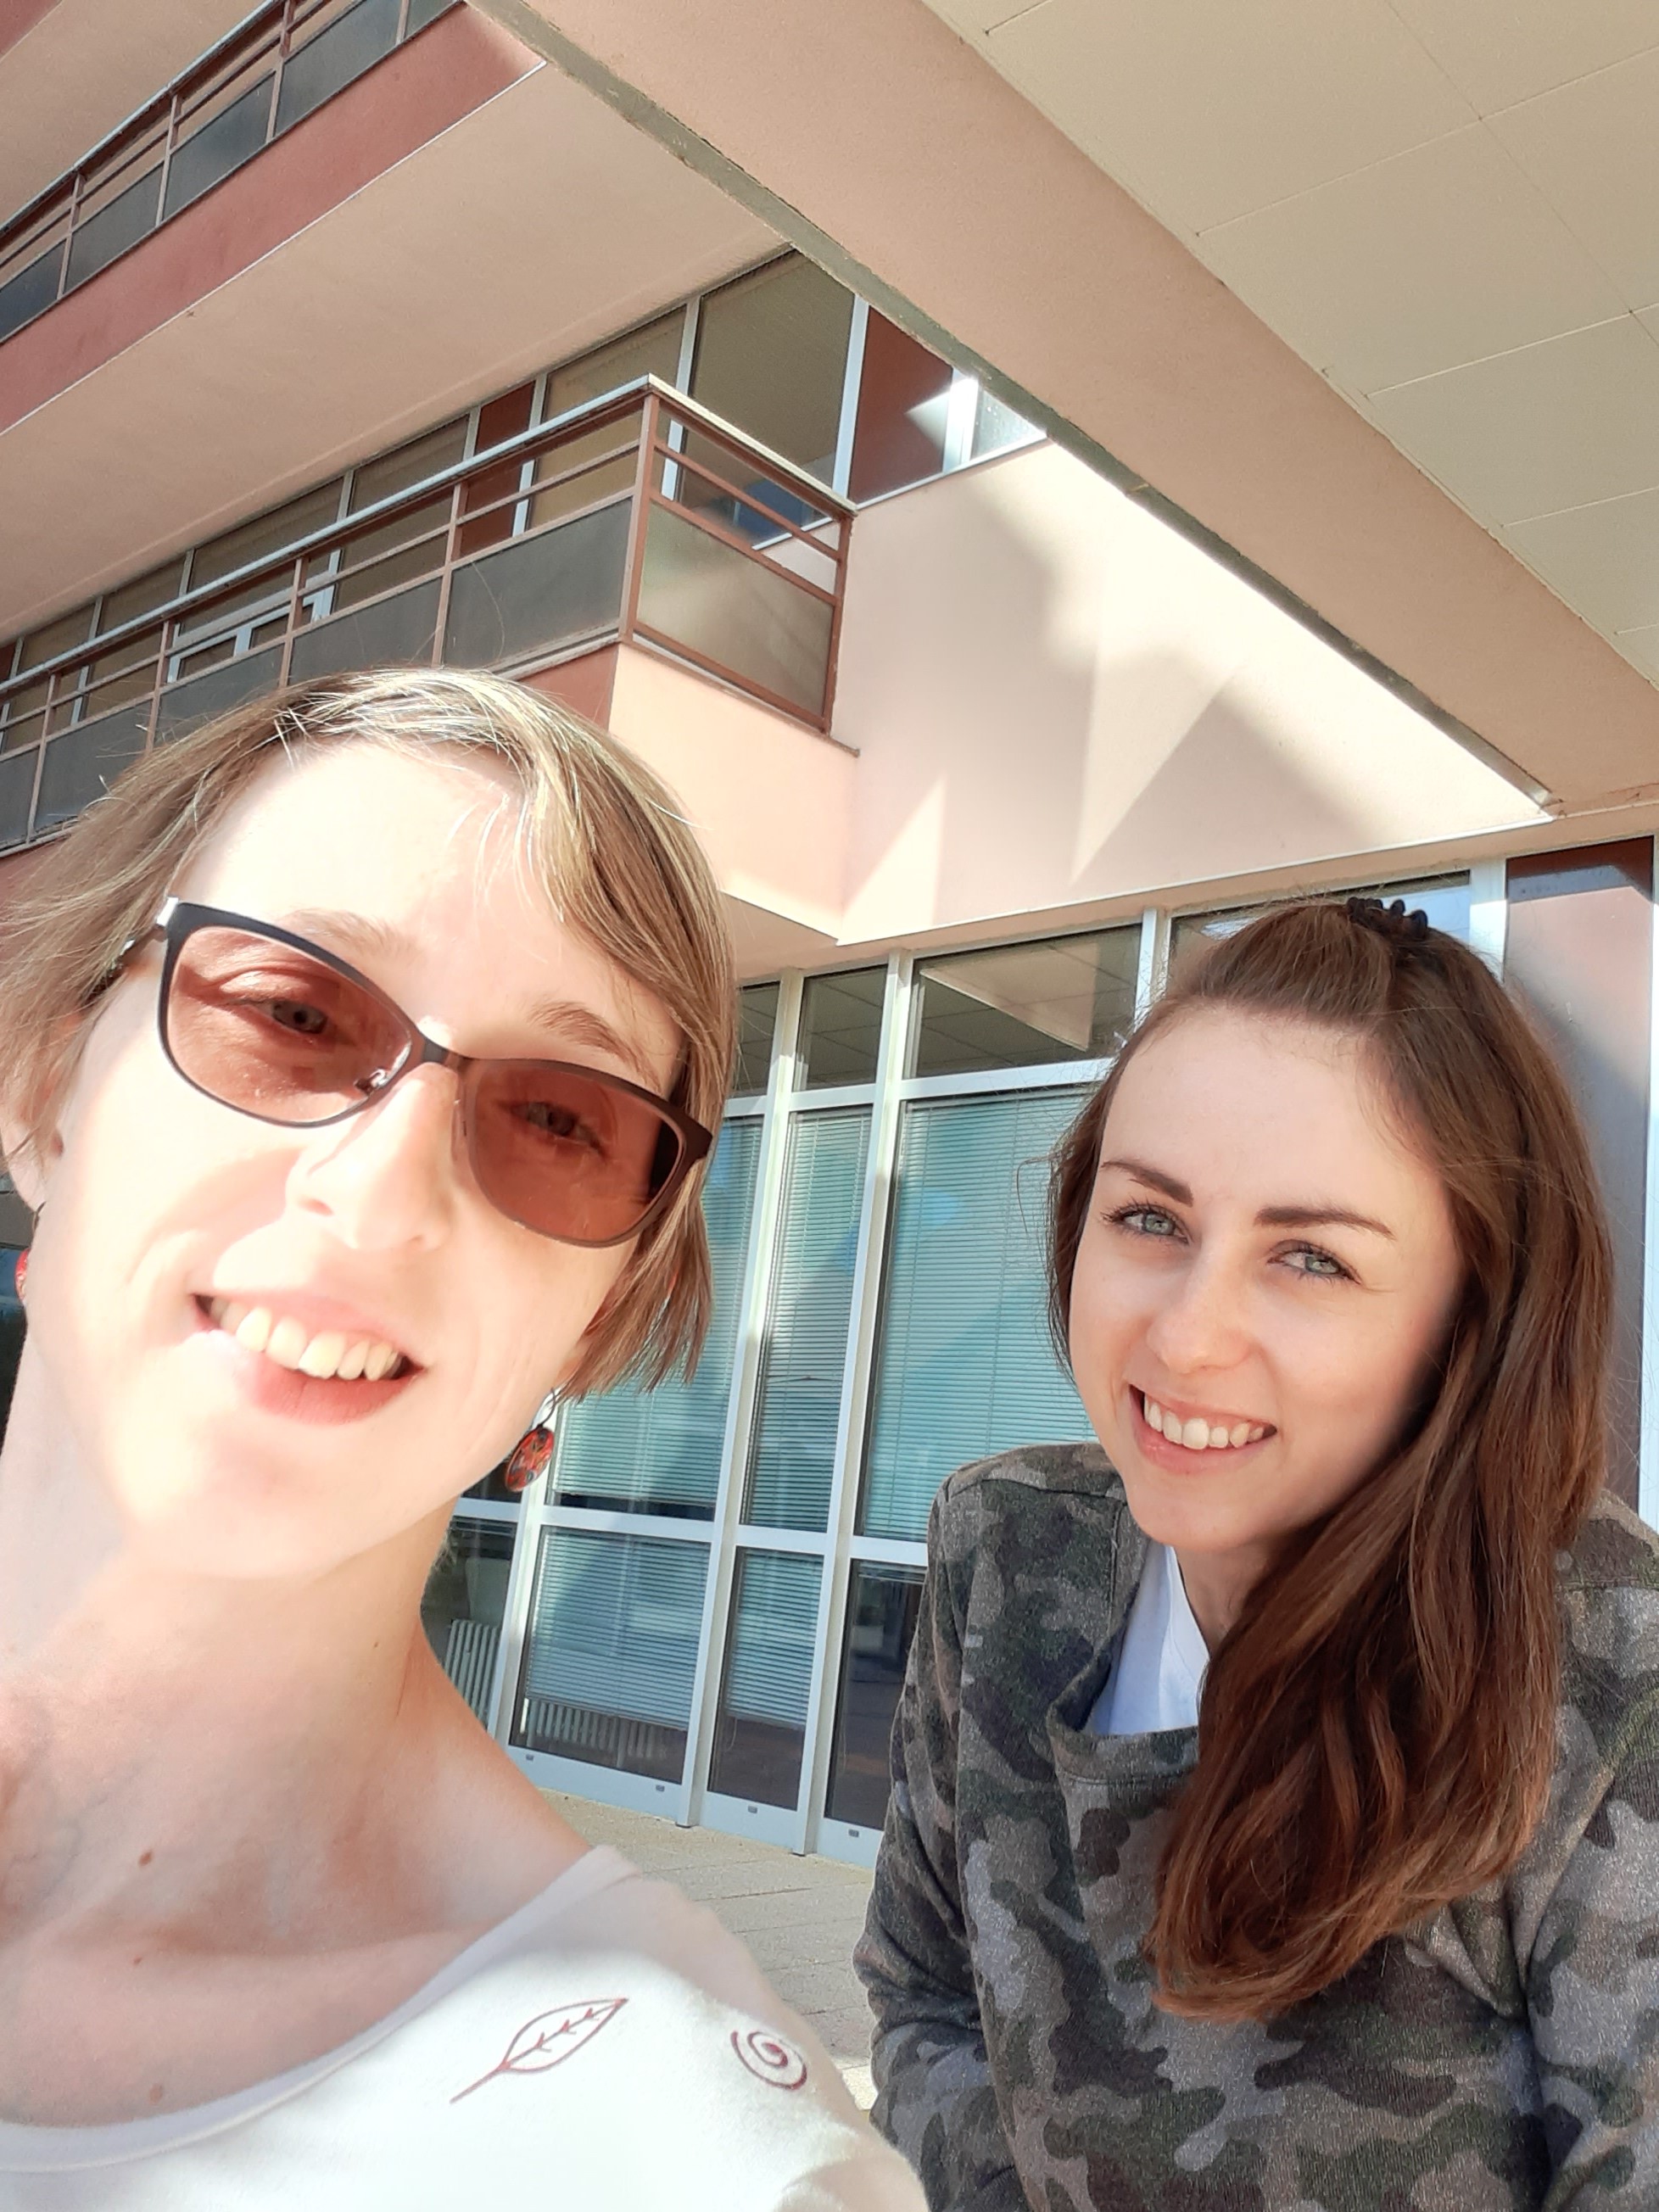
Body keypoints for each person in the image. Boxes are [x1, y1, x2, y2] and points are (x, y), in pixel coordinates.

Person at [0, 668, 923, 2209]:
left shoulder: (677, 2155)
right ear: (45, 1082)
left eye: (560, 1120)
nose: (380, 1194)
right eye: (292, 1014)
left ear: (604, 1310)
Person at [857, 895, 1659, 2210]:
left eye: (1310, 1258)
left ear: (1471, 1322)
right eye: (1150, 1220)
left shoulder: (1617, 1675)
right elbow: (922, 1992)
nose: (1186, 1337)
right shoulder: (1004, 1552)